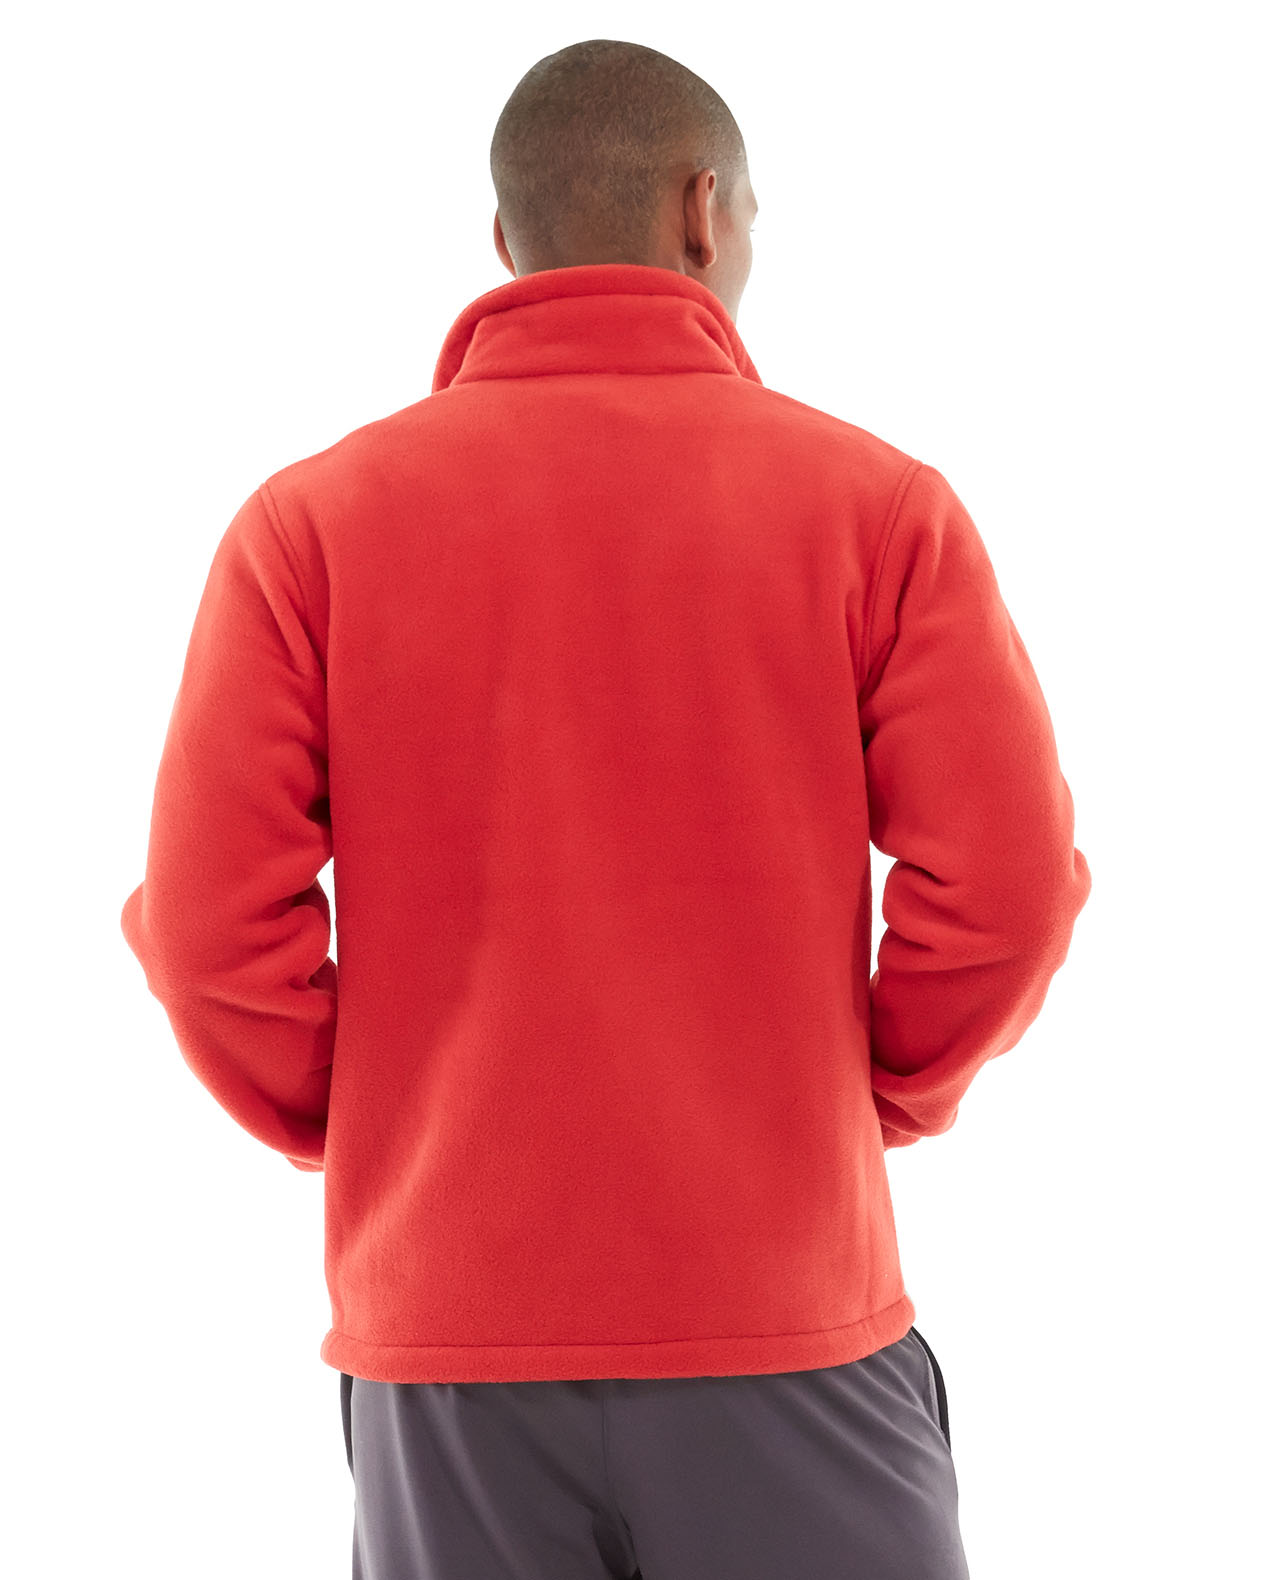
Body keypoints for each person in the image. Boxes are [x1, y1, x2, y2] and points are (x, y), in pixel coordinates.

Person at [120, 35, 1092, 1580]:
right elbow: (1009, 888)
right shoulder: (874, 509)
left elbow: (203, 931)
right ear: (703, 212)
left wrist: (388, 1126)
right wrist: (871, 1093)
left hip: (445, 1353)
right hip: (783, 1316)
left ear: (506, 241)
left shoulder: (308, 528)